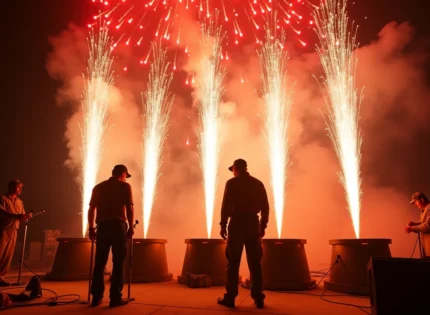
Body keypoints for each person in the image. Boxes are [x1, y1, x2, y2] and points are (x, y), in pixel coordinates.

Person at [217, 159, 269, 309]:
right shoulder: (257, 183)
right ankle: (258, 298)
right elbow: (265, 207)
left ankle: (230, 298)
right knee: (255, 263)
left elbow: (225, 205)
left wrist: (223, 225)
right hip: (253, 223)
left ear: (235, 168)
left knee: (233, 263)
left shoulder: (232, 183)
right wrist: (262, 226)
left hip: (237, 224)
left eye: (232, 170)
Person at [88, 165, 134, 308]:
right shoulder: (125, 187)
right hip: (118, 226)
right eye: (126, 175)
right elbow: (129, 208)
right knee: (118, 262)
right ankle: (115, 298)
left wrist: (90, 228)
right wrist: (131, 227)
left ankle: (96, 297)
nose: (126, 178)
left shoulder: (99, 187)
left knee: (100, 262)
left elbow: (91, 209)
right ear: (122, 174)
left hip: (102, 227)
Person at [0, 180, 32, 286]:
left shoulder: (19, 201)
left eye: (21, 188)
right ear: (11, 187)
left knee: (7, 256)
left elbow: (21, 215)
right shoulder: (2, 199)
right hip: (3, 230)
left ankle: (1, 277)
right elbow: (2, 212)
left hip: (14, 230)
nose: (20, 190)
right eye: (18, 187)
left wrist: (26, 216)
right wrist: (16, 216)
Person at [405, 191, 430, 258]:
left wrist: (412, 228)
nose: (415, 204)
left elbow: (428, 226)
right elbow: (425, 222)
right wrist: (416, 224)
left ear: (422, 199)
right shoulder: (424, 210)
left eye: (415, 202)